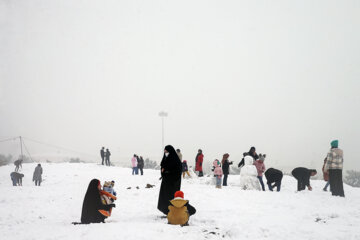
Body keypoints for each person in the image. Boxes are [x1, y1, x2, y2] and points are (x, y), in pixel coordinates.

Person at [157, 145, 182, 215]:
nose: (165, 153)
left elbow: (178, 171)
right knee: (164, 197)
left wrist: (167, 171)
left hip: (173, 183)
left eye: (167, 151)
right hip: (166, 181)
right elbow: (163, 167)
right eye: (164, 151)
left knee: (171, 196)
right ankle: (166, 210)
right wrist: (163, 172)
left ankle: (172, 211)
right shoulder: (165, 158)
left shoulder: (175, 160)